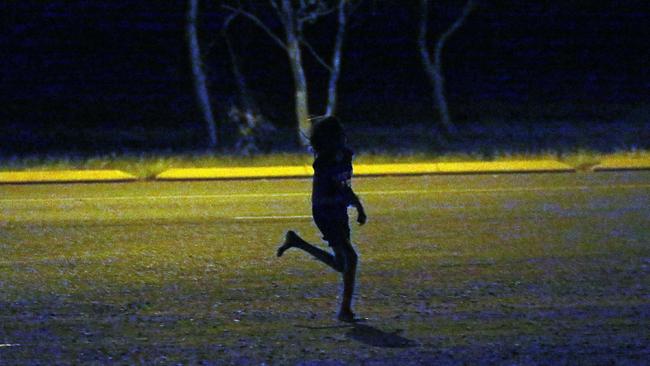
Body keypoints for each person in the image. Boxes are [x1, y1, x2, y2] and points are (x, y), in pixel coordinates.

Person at [277, 116, 367, 322]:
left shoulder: (345, 156)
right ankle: (345, 311)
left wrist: (358, 206)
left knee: (342, 262)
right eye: (338, 134)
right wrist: (348, 201)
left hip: (339, 211)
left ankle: (297, 242)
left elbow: (345, 186)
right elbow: (330, 191)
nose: (343, 137)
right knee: (349, 259)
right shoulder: (323, 163)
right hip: (326, 212)